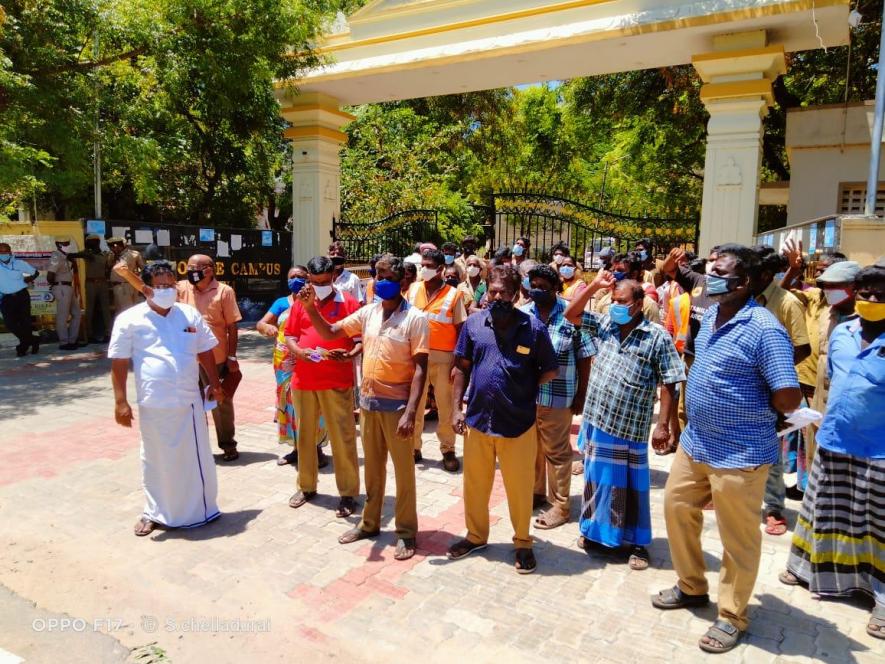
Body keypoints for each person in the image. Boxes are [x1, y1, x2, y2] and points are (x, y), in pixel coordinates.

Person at [652, 244, 801, 654]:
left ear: (747, 282)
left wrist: (751, 407)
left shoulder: (764, 329)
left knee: (738, 540)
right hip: (696, 441)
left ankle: (732, 615)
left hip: (740, 452)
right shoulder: (714, 313)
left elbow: (787, 397)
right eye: (710, 269)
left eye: (720, 272)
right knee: (677, 508)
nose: (710, 277)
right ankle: (692, 586)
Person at [779, 263, 885, 641]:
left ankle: (883, 604)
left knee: (877, 524)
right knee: (822, 511)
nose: (873, 299)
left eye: (881, 293)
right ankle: (809, 570)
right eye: (867, 292)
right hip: (835, 439)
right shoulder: (843, 332)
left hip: (879, 449)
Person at [299, 255, 428, 561]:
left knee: (404, 472)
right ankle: (369, 524)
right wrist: (309, 309)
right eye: (377, 275)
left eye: (386, 276)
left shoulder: (416, 319)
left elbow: (421, 369)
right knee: (373, 469)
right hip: (369, 404)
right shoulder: (368, 313)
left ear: (403, 282)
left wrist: (411, 412)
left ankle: (406, 532)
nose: (379, 281)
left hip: (398, 407)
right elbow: (331, 332)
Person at [564, 274, 684, 568]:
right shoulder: (605, 325)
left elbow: (671, 382)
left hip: (630, 426)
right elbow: (571, 313)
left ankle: (637, 544)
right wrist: (594, 287)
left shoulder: (656, 336)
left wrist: (663, 424)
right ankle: (594, 532)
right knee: (597, 480)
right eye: (614, 301)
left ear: (639, 304)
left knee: (630, 487)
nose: (616, 307)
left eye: (622, 302)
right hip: (597, 419)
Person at [447, 264, 558, 575]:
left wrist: (523, 386)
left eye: (504, 293)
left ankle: (523, 541)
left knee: (520, 488)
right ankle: (475, 535)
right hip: (479, 420)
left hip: (518, 423)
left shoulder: (533, 329)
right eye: (493, 291)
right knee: (475, 485)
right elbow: (461, 368)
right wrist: (457, 409)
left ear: (515, 295)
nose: (497, 297)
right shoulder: (473, 325)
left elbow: (550, 369)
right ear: (487, 292)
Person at [108, 260, 223, 537]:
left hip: (188, 403)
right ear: (146, 287)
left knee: (195, 459)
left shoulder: (188, 314)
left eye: (170, 285)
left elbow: (205, 350)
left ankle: (202, 510)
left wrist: (215, 384)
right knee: (155, 458)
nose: (166, 290)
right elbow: (119, 362)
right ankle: (154, 512)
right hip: (153, 402)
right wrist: (121, 402)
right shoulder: (129, 319)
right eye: (159, 286)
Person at [285, 256, 362, 517]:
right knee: (305, 436)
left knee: (343, 438)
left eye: (324, 281)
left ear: (333, 277)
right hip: (304, 380)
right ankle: (306, 486)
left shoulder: (349, 303)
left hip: (336, 381)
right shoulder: (300, 302)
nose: (319, 286)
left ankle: (349, 493)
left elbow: (359, 340)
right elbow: (290, 336)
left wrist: (351, 354)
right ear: (308, 279)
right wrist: (299, 352)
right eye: (314, 282)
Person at [520, 264, 593, 530]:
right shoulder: (523, 313)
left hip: (559, 396)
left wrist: (582, 394)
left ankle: (560, 505)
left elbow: (585, 356)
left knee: (558, 452)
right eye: (533, 285)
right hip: (528, 396)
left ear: (556, 289)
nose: (537, 291)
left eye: (543, 287)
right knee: (533, 449)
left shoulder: (572, 315)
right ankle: (536, 493)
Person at [751, 245, 811, 536]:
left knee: (771, 450)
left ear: (763, 273)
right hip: (746, 385)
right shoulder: (747, 299)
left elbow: (803, 346)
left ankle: (774, 508)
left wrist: (775, 372)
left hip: (772, 388)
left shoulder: (788, 303)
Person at [255, 266, 328, 468]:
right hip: (284, 362)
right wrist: (266, 327)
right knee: (289, 404)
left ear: (308, 279)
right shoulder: (281, 303)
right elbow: (261, 323)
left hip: (308, 358)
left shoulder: (316, 301)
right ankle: (296, 449)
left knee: (313, 404)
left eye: (301, 277)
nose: (296, 279)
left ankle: (316, 448)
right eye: (292, 276)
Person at [177, 254, 243, 461]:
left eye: (194, 267)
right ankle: (197, 445)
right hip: (186, 358)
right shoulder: (181, 288)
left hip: (216, 357)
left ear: (209, 270)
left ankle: (228, 444)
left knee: (220, 401)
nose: (189, 271)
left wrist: (232, 356)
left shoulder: (224, 291)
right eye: (188, 267)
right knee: (190, 404)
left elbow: (232, 326)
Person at [407, 249, 467, 472]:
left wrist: (458, 363)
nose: (423, 269)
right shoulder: (413, 289)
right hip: (416, 356)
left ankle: (448, 449)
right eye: (422, 264)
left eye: (428, 265)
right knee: (415, 402)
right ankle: (413, 447)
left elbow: (462, 330)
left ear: (441, 269)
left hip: (444, 359)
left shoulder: (454, 295)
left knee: (445, 406)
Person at [804, 259, 860, 474]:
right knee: (816, 461)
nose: (828, 291)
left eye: (834, 286)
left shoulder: (867, 319)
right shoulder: (828, 313)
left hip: (850, 410)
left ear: (854, 288)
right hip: (821, 400)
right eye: (825, 286)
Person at [585, 252, 661, 323]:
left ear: (634, 274)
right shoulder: (604, 299)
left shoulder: (647, 305)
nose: (614, 273)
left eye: (620, 270)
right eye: (613, 270)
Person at [0, 243, 40, 357]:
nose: (3, 254)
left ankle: (23, 347)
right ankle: (33, 340)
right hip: (6, 298)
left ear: (10, 252)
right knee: (10, 324)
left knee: (25, 323)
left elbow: (35, 272)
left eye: (5, 252)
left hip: (22, 296)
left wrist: (29, 278)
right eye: (0, 252)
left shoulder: (19, 263)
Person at [74, 234, 112, 343]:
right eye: (90, 242)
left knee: (106, 309)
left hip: (103, 283)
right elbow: (73, 255)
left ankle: (108, 333)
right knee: (89, 309)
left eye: (94, 241)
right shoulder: (86, 253)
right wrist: (86, 251)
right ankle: (89, 334)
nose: (92, 243)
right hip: (90, 283)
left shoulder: (105, 254)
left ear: (98, 242)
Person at [47, 236, 82, 350]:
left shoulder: (66, 257)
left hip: (68, 287)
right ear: (58, 244)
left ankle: (72, 340)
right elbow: (50, 275)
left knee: (77, 314)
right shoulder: (56, 256)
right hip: (61, 287)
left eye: (68, 243)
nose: (67, 245)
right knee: (63, 316)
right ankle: (64, 342)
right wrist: (55, 286)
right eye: (64, 244)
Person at [107, 236, 145, 315]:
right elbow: (109, 266)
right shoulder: (112, 255)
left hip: (126, 285)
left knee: (127, 311)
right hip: (117, 286)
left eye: (116, 244)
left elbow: (143, 269)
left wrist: (139, 280)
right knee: (120, 310)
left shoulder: (133, 254)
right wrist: (115, 255)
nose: (113, 247)